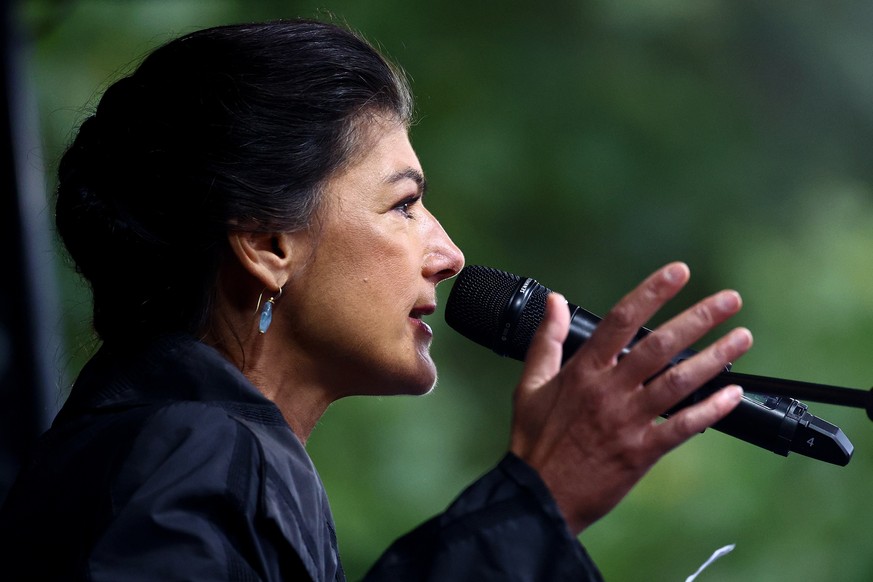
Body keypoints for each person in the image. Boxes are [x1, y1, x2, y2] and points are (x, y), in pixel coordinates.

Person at [0, 19, 751, 581]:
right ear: (267, 245)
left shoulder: (172, 445)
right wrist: (533, 506)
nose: (449, 256)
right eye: (404, 206)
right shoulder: (194, 451)